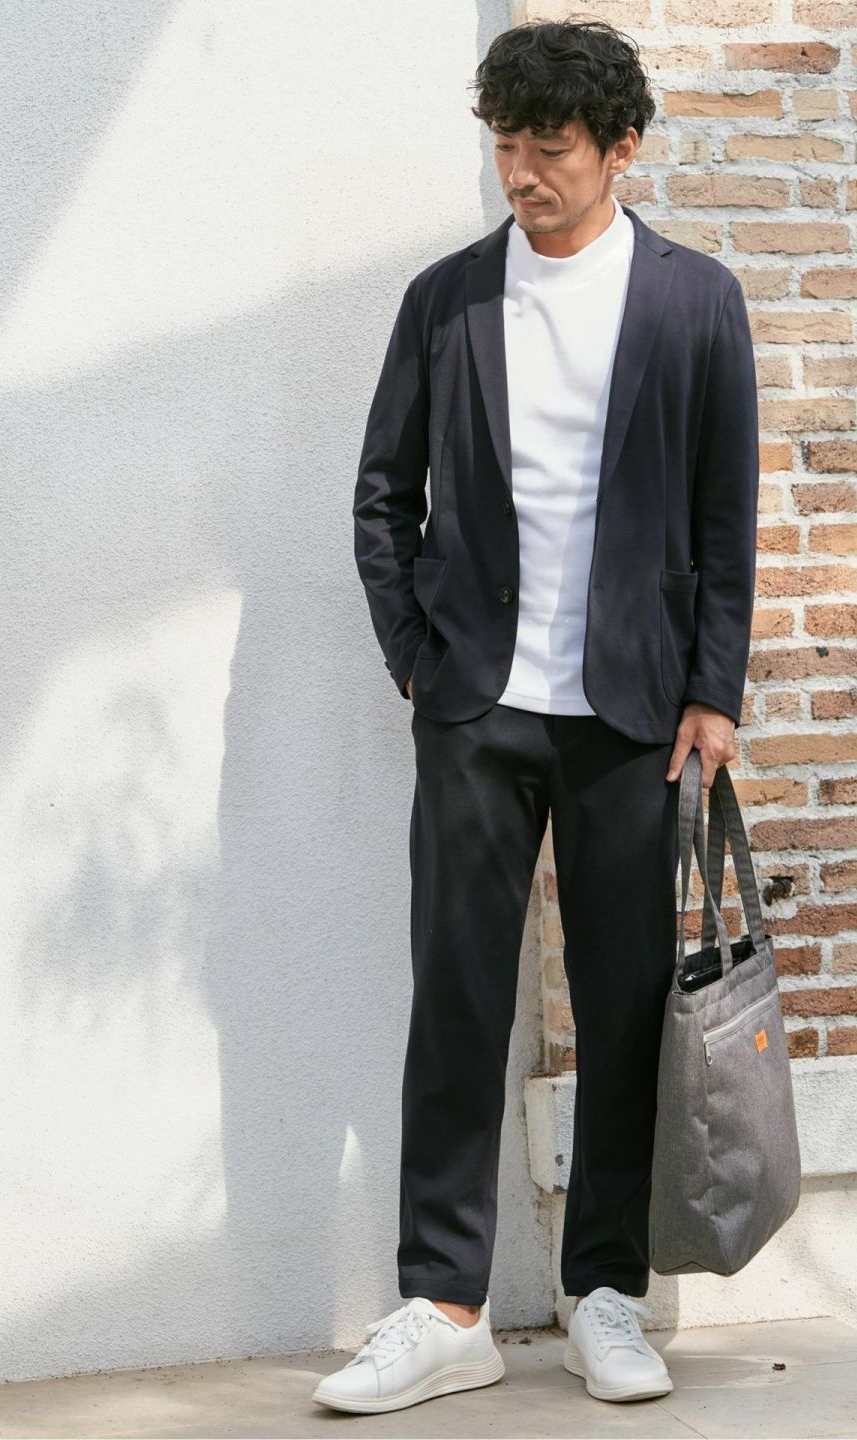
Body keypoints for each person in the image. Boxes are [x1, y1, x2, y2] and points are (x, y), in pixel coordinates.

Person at [314, 17, 758, 1417]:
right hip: (476, 711)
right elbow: (382, 496)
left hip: (630, 716)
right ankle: (445, 1307)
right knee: (455, 1004)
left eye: (549, 147)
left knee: (624, 1010)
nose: (521, 173)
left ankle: (605, 1295)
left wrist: (714, 690)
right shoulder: (446, 302)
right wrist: (417, 661)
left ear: (621, 149)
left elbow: (724, 516)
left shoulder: (695, 303)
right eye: (505, 145)